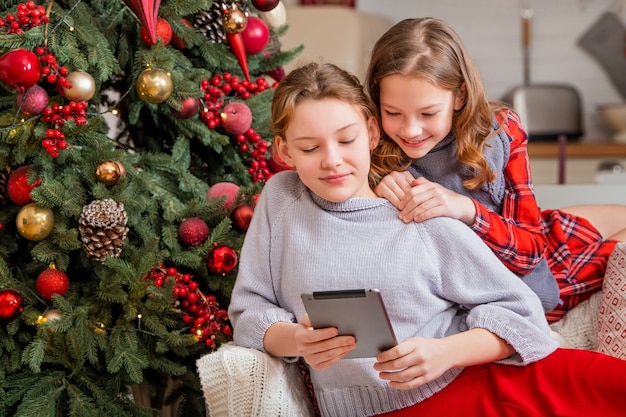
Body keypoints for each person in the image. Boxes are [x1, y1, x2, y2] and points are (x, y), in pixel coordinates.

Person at [227, 61, 626, 417]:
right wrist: (294, 339)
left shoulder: (419, 215)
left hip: (474, 382)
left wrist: (443, 354)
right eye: (310, 148)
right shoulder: (283, 199)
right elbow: (249, 312)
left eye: (346, 140)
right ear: (284, 151)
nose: (332, 160)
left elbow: (523, 317)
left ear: (370, 132)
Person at [367, 17, 626, 323]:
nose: (410, 129)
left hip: (527, 248)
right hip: (513, 283)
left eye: (428, 113)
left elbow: (530, 249)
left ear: (460, 96)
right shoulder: (367, 142)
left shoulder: (499, 130)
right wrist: (375, 181)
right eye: (393, 112)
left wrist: (466, 209)